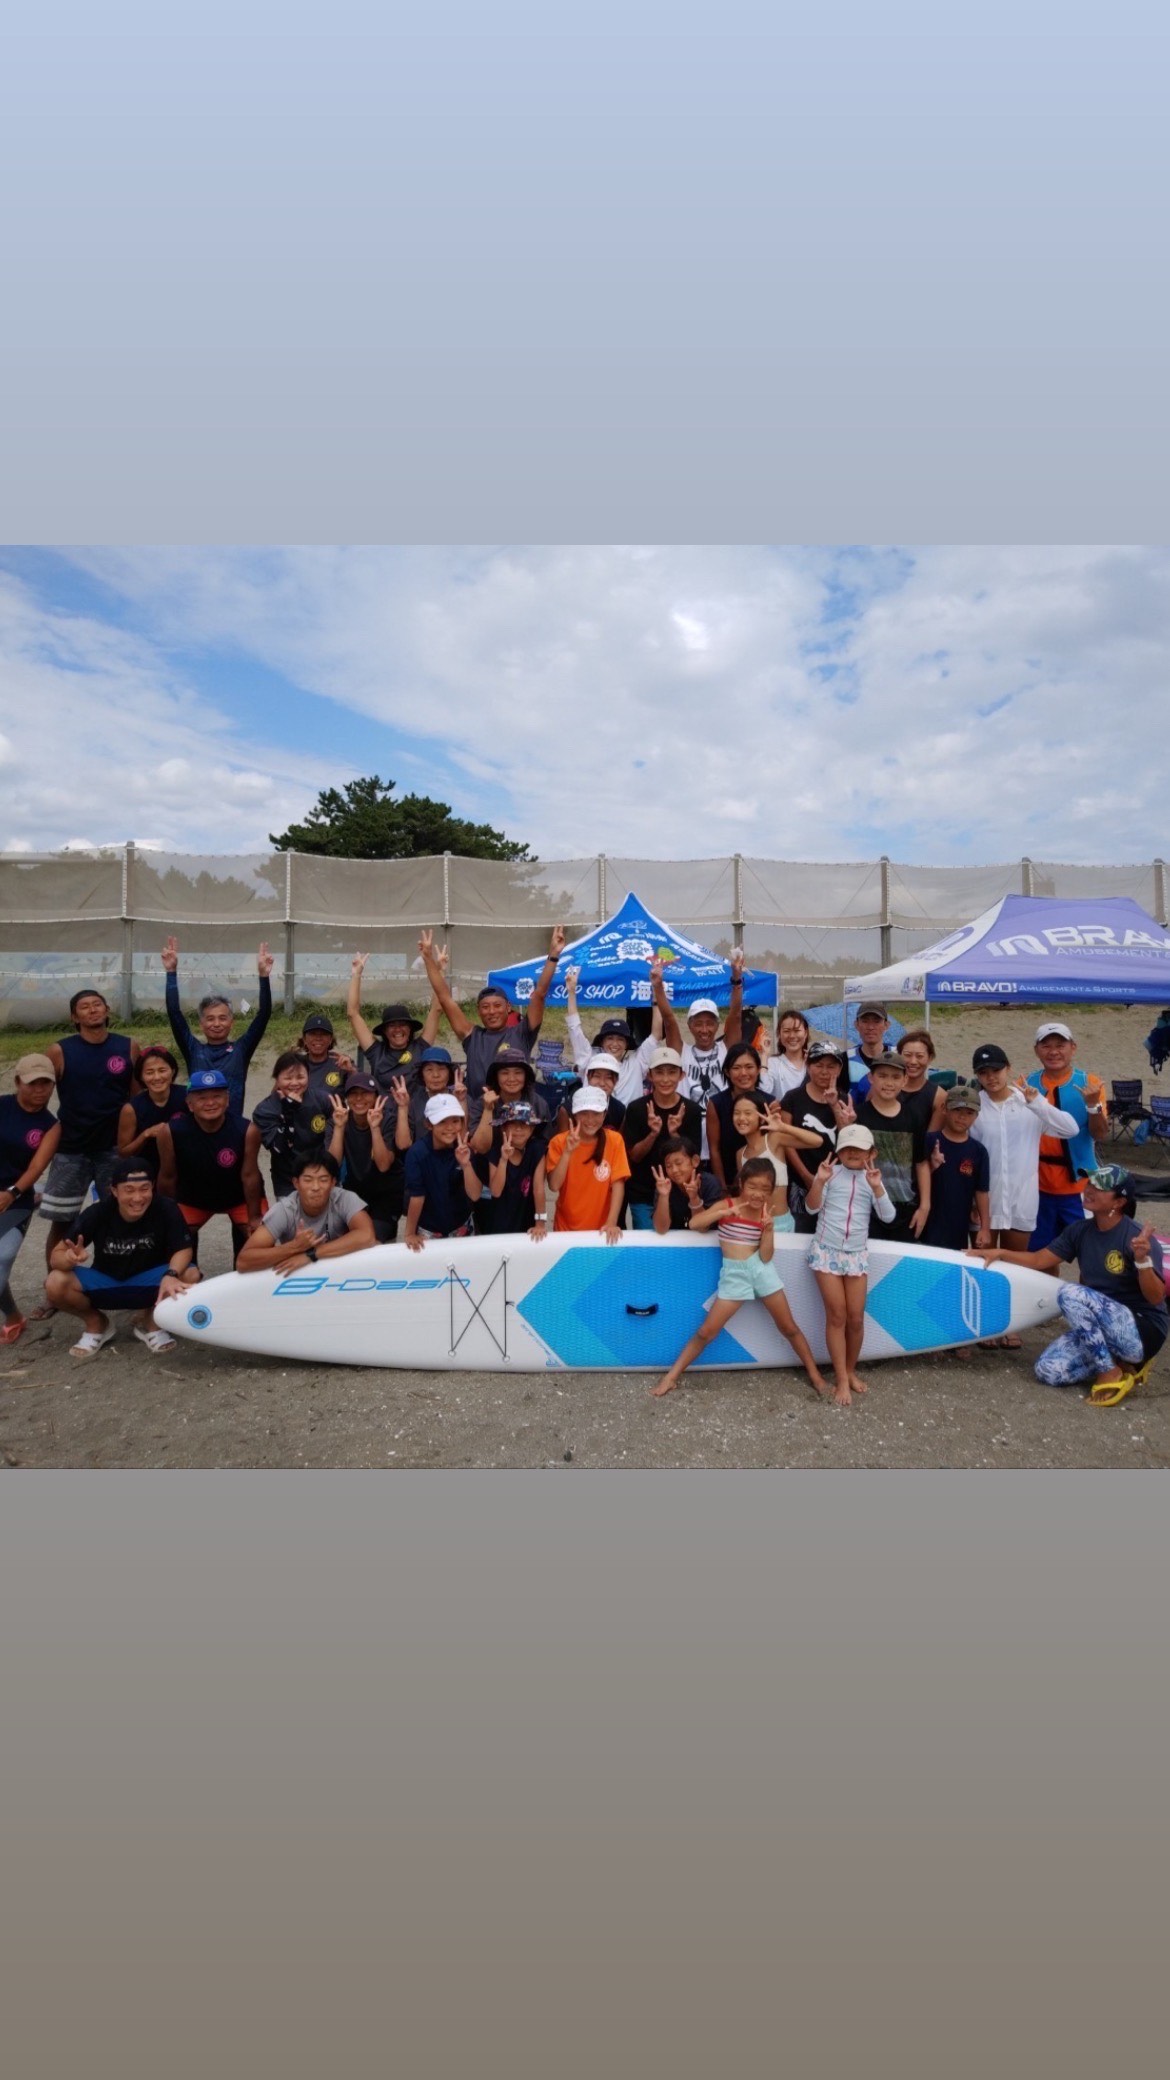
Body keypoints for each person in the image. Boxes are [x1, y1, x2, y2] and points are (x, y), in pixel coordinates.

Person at [973, 1166, 1168, 1406]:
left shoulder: (1136, 1238)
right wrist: (1000, 1253)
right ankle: (1124, 1364)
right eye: (1090, 1184)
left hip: (1142, 1330)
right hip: (1104, 1328)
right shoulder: (1079, 1230)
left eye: (1100, 1188)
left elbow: (1156, 1297)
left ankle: (1110, 1370)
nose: (1089, 1190)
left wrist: (1142, 1261)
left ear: (1119, 1202)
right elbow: (1038, 1260)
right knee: (1048, 1370)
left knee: (1069, 1293)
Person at [651, 1157, 828, 1399]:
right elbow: (695, 1223)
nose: (758, 1194)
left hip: (762, 1271)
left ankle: (816, 1377)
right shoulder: (726, 1204)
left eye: (765, 1189)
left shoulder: (766, 1214)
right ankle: (671, 1377)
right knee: (706, 1332)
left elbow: (766, 1257)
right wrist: (724, 1212)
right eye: (752, 1186)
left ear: (772, 1190)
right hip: (734, 1274)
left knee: (789, 1327)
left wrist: (768, 1229)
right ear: (742, 1183)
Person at [37, 989, 141, 1298]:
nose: (92, 1010)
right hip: (71, 1150)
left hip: (113, 1149)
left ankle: (121, 1285)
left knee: (119, 1218)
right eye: (84, 1007)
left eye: (97, 1005)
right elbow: (39, 1096)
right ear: (74, 1016)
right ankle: (55, 1291)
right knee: (62, 1222)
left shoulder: (128, 1046)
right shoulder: (59, 1051)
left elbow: (137, 1098)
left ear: (107, 1010)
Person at [44, 1154, 197, 1358]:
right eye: (129, 1190)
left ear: (153, 1187)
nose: (138, 1198)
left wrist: (171, 1274)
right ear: (114, 1191)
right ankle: (96, 1323)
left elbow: (184, 1248)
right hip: (106, 1281)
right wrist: (69, 1258)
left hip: (151, 1281)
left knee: (190, 1274)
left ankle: (151, 1322)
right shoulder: (97, 1212)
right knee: (55, 1281)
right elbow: (56, 1256)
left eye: (144, 1189)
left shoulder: (166, 1207)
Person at [417, 923, 566, 1097]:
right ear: (478, 1011)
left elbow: (539, 994)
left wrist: (553, 955)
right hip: (478, 1110)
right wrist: (428, 959)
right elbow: (445, 998)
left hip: (516, 1109)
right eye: (485, 1007)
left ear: (508, 1008)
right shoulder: (472, 1036)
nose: (492, 1011)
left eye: (497, 1005)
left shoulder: (522, 1033)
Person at [805, 1125, 897, 1406]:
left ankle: (850, 1370)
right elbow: (811, 1208)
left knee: (856, 1319)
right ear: (839, 1151)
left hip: (856, 1255)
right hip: (826, 1252)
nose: (853, 1153)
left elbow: (889, 1217)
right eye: (847, 1148)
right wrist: (819, 1181)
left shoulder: (873, 1179)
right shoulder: (830, 1174)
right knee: (837, 1316)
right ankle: (841, 1379)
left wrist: (877, 1187)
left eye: (860, 1148)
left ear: (872, 1153)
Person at [969, 1040, 1076, 1265]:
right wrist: (970, 1200)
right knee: (981, 1266)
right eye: (984, 1073)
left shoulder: (1029, 1102)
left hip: (1021, 1201)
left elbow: (1070, 1130)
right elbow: (969, 1154)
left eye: (996, 1070)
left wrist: (1038, 1104)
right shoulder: (974, 1106)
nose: (991, 1077)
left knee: (1015, 1266)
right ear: (977, 1075)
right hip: (985, 1202)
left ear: (1008, 1068)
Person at [155, 1068, 264, 1266]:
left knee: (261, 1241)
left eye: (217, 1096)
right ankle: (190, 1274)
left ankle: (242, 1274)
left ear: (228, 1100)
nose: (210, 1103)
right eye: (202, 1098)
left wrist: (255, 1217)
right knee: (173, 1243)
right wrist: (167, 1216)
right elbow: (167, 1178)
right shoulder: (169, 1132)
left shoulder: (248, 1130)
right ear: (190, 1104)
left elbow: (250, 1176)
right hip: (192, 1199)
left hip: (238, 1198)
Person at [1024, 1021, 1110, 1251]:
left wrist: (1093, 1106)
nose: (1053, 1052)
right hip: (1038, 1186)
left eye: (1060, 1045)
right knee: (1040, 1253)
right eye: (1046, 1046)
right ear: (1036, 1050)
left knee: (1088, 1252)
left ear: (1073, 1047)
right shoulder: (1027, 1084)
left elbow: (1100, 1134)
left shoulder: (1090, 1084)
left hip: (1079, 1187)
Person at [161, 935, 273, 1110]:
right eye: (210, 1018)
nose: (217, 1024)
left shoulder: (241, 1050)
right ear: (201, 1024)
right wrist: (171, 972)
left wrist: (264, 976)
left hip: (232, 1124)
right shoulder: (193, 1049)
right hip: (198, 1123)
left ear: (231, 1022)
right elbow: (174, 1013)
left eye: (222, 1018)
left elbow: (263, 1014)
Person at [0, 1054, 61, 1345]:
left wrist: (11, 1193)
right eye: (32, 1083)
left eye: (45, 1084)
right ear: (17, 1082)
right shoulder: (2, 1106)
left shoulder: (51, 1125)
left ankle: (13, 1318)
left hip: (15, 1198)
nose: (39, 1090)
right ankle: (13, 1317)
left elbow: (37, 1167)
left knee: (3, 1257)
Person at [563, 959, 682, 1106]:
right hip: (592, 1118)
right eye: (610, 1038)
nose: (615, 1044)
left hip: (629, 1120)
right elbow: (574, 1028)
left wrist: (656, 998)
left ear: (627, 1044)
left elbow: (656, 1035)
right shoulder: (589, 1059)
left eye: (620, 1039)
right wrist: (571, 991)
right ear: (602, 1042)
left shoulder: (636, 1063)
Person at [237, 1150, 377, 1274]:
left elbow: (367, 1235)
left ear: (333, 1183)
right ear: (296, 1183)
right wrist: (294, 1247)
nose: (315, 1187)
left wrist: (311, 1254)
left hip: (341, 1269)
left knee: (377, 1246)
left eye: (323, 1180)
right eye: (308, 1180)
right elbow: (243, 1261)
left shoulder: (344, 1199)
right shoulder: (285, 1210)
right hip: (299, 1275)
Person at [621, 1049, 703, 1230]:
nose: (665, 1079)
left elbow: (693, 1159)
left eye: (672, 1072)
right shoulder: (636, 1109)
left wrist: (675, 1134)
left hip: (681, 1194)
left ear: (681, 1075)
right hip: (644, 1194)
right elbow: (634, 1156)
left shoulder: (692, 1110)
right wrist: (653, 1133)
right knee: (649, 1244)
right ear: (649, 1075)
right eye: (659, 1072)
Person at [854, 1051, 931, 1242]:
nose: (889, 1083)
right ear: (871, 1078)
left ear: (905, 1080)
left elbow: (921, 1163)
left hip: (906, 1209)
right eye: (882, 1076)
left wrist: (924, 1206)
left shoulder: (914, 1117)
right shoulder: (859, 1116)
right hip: (867, 1207)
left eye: (896, 1077)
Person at [780, 1042, 856, 1232]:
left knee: (832, 1232)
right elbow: (785, 1141)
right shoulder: (792, 1098)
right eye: (818, 1065)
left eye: (831, 1066)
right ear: (808, 1066)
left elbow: (846, 1140)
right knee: (801, 1231)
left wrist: (833, 1104)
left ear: (839, 1069)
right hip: (800, 1181)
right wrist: (806, 1176)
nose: (824, 1072)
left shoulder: (844, 1099)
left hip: (836, 1183)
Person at [546, 1088, 630, 1242]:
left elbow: (618, 1184)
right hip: (565, 1230)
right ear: (575, 1115)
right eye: (584, 1113)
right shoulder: (558, 1142)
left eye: (596, 1113)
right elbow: (554, 1185)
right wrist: (567, 1152)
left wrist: (611, 1222)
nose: (590, 1120)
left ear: (604, 1114)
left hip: (602, 1231)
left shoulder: (615, 1140)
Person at [346, 952, 440, 1090]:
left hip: (416, 1104)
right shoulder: (376, 1052)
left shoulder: (420, 1047)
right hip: (384, 1104)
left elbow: (436, 1009)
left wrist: (439, 971)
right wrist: (356, 974)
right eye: (392, 1026)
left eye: (402, 1025)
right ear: (384, 1031)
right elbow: (353, 1014)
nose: (398, 1029)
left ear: (410, 1029)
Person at [728, 1092, 821, 1231]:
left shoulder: (774, 1139)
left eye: (748, 1113)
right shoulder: (740, 1154)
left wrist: (783, 1127)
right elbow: (743, 1194)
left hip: (781, 1224)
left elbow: (817, 1141)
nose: (741, 1118)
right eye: (737, 1113)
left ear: (762, 1118)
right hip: (753, 1224)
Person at [326, 1074, 403, 1241]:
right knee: (347, 1239)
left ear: (376, 1096)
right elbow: (332, 1164)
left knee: (375, 1239)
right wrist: (339, 1128)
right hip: (354, 1193)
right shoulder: (338, 1120)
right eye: (353, 1094)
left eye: (366, 1093)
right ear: (346, 1098)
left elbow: (383, 1165)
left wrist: (375, 1128)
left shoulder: (387, 1119)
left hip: (386, 1194)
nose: (359, 1098)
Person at [245, 1050, 328, 1201]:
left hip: (322, 1175)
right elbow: (279, 1149)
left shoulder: (322, 1099)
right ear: (277, 1079)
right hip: (287, 1181)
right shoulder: (265, 1110)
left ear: (309, 1076)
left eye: (300, 1077)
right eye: (288, 1078)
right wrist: (288, 1112)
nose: (295, 1083)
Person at [402, 1094, 483, 1248]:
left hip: (462, 1225)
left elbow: (475, 1195)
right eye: (442, 1121)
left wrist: (466, 1165)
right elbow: (417, 1196)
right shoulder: (417, 1153)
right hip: (429, 1230)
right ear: (428, 1124)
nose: (450, 1127)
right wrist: (410, 1233)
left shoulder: (464, 1148)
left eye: (455, 1121)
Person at [678, 949, 746, 1125]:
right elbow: (669, 1022)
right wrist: (658, 987)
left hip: (722, 1124)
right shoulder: (682, 1052)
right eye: (698, 1024)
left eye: (709, 1023)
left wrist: (737, 980)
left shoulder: (726, 1049)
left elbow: (736, 1015)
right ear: (689, 1026)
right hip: (690, 1127)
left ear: (717, 1026)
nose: (704, 1029)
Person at [923, 1084, 992, 1253]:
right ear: (944, 1109)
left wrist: (985, 1228)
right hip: (926, 1226)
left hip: (958, 1229)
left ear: (976, 1116)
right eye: (957, 1110)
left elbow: (981, 1192)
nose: (962, 1117)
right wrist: (932, 1166)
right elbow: (914, 1182)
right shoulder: (928, 1141)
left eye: (969, 1113)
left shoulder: (978, 1151)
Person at [474, 1101, 549, 1238]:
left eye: (524, 1124)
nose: (518, 1129)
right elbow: (496, 1191)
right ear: (503, 1128)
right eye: (512, 1124)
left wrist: (540, 1223)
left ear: (532, 1128)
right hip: (497, 1223)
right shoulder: (495, 1151)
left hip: (525, 1221)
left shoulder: (537, 1149)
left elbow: (538, 1189)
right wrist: (503, 1160)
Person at [117, 1045, 189, 1178]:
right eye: (149, 1072)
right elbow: (123, 1152)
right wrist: (146, 1134)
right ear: (141, 1076)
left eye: (162, 1070)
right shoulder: (131, 1109)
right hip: (148, 1172)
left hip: (186, 1167)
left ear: (173, 1071)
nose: (157, 1077)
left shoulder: (188, 1097)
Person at [706, 1042, 768, 1194]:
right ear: (727, 1072)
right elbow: (714, 1149)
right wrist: (722, 1188)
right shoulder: (716, 1104)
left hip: (764, 1184)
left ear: (758, 1069)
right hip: (728, 1183)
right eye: (736, 1068)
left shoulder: (769, 1103)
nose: (743, 1073)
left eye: (749, 1067)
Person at [467, 1046, 552, 1146]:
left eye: (518, 1072)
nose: (511, 1079)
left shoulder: (538, 1104)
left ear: (526, 1076)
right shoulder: (482, 1103)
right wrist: (488, 1110)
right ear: (496, 1077)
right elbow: (479, 1147)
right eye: (505, 1073)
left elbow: (545, 1143)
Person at [650, 1136, 725, 1232]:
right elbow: (661, 1229)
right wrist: (663, 1196)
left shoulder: (711, 1184)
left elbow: (702, 1228)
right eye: (668, 1166)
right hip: (677, 1238)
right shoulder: (665, 1185)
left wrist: (694, 1198)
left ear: (695, 1161)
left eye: (678, 1163)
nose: (674, 1170)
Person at [553, 1054, 626, 1137]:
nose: (602, 1083)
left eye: (608, 1077)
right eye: (597, 1076)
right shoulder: (568, 1109)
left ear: (616, 1080)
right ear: (588, 1077)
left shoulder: (619, 1110)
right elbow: (561, 1142)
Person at [297, 1012, 356, 1111]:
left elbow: (361, 1094)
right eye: (313, 1034)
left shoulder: (341, 1063)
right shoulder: (295, 1064)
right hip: (302, 1117)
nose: (318, 1038)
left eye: (323, 1034)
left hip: (335, 1118)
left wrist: (351, 1071)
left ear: (330, 1039)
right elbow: (275, 1097)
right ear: (304, 1039)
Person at [894, 1029, 948, 1135]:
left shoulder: (939, 1096)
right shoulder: (885, 1088)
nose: (913, 1061)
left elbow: (931, 1138)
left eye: (920, 1056)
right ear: (899, 1055)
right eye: (907, 1055)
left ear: (930, 1058)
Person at [763, 1009, 811, 1102]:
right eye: (786, 1031)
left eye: (797, 1030)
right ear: (779, 1034)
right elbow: (763, 1091)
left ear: (805, 1033)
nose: (792, 1036)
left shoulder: (814, 1062)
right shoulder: (773, 1063)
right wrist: (764, 1055)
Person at [845, 1001, 893, 1089]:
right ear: (856, 1025)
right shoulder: (845, 1059)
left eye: (877, 1021)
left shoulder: (899, 1055)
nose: (870, 1027)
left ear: (886, 1025)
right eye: (865, 1021)